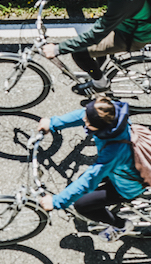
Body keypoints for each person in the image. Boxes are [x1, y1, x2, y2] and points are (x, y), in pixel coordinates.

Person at [37, 96, 144, 242]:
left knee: (81, 205)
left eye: (88, 122)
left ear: (99, 127)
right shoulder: (110, 114)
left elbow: (90, 180)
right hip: (126, 165)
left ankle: (121, 225)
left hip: (129, 183)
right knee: (81, 186)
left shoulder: (113, 151)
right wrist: (53, 123)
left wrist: (57, 202)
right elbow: (83, 114)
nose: (84, 120)